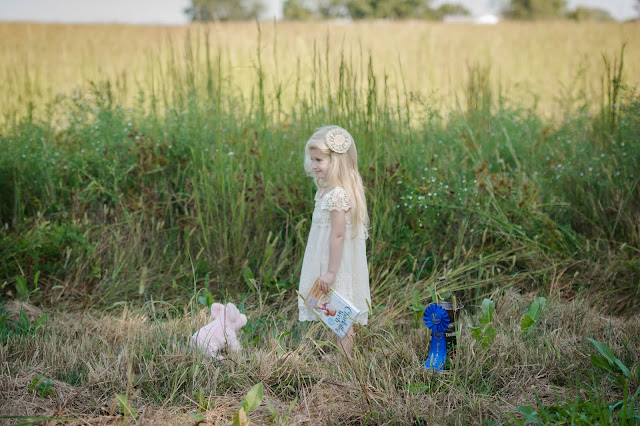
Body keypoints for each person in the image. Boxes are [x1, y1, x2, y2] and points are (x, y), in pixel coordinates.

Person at [298, 125, 370, 357]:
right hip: (328, 260)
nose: (314, 165)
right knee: (334, 311)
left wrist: (330, 272)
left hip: (336, 264)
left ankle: (345, 362)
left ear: (337, 161)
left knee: (342, 314)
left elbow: (338, 235)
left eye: (319, 160)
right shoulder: (327, 191)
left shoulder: (338, 194)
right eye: (312, 159)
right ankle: (340, 355)